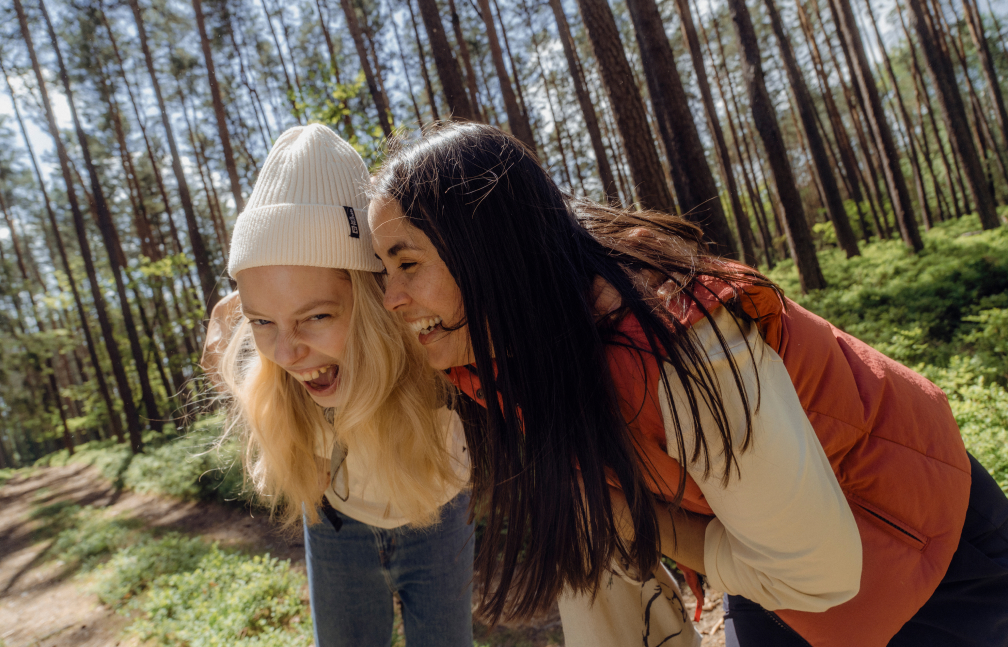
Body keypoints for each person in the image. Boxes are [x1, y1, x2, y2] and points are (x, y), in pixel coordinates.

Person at [367, 122, 1008, 647]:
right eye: (381, 272)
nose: (391, 299)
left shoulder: (681, 344)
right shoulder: (497, 352)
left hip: (929, 549)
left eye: (407, 264)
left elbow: (817, 572)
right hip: (786, 567)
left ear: (490, 251)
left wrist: (642, 522)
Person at [202, 124, 474, 647]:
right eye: (263, 322)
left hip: (440, 516)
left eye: (317, 315)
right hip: (336, 525)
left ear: (375, 300)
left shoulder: (439, 346)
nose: (286, 354)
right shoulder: (279, 374)